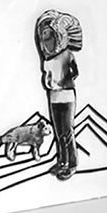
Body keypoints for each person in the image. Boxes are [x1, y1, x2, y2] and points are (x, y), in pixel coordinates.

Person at [35, 10, 83, 181]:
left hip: (66, 95)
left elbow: (75, 72)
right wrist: (49, 83)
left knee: (67, 131)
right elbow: (47, 77)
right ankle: (62, 161)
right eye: (44, 36)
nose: (46, 40)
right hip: (54, 96)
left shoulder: (67, 55)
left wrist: (64, 81)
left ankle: (72, 163)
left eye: (49, 35)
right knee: (59, 132)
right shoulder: (47, 59)